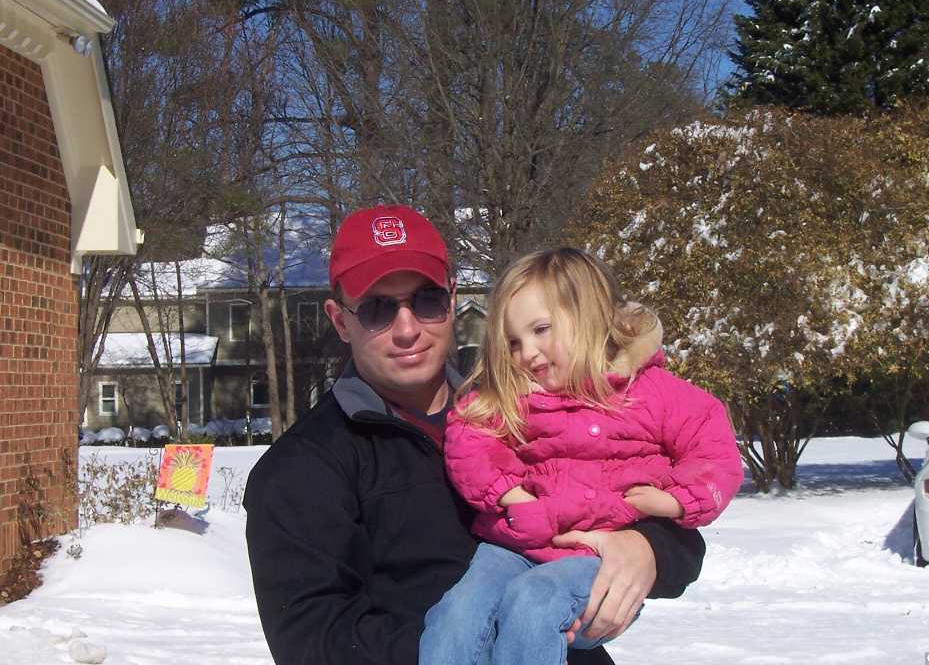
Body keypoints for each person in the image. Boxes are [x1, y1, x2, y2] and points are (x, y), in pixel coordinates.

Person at [244, 206, 709, 665]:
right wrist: (480, 642)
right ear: (340, 320)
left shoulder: (525, 405)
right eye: (377, 310)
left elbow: (670, 517)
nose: (407, 329)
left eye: (426, 300)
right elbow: (314, 642)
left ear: (451, 299)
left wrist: (648, 550)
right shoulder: (302, 467)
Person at [420, 247, 743, 665]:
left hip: (595, 556)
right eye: (514, 342)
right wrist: (509, 494)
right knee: (455, 618)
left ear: (589, 316)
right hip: (513, 546)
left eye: (541, 330)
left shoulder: (650, 391)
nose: (527, 353)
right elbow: (469, 435)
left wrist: (677, 501)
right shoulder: (515, 395)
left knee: (534, 604)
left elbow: (712, 446)